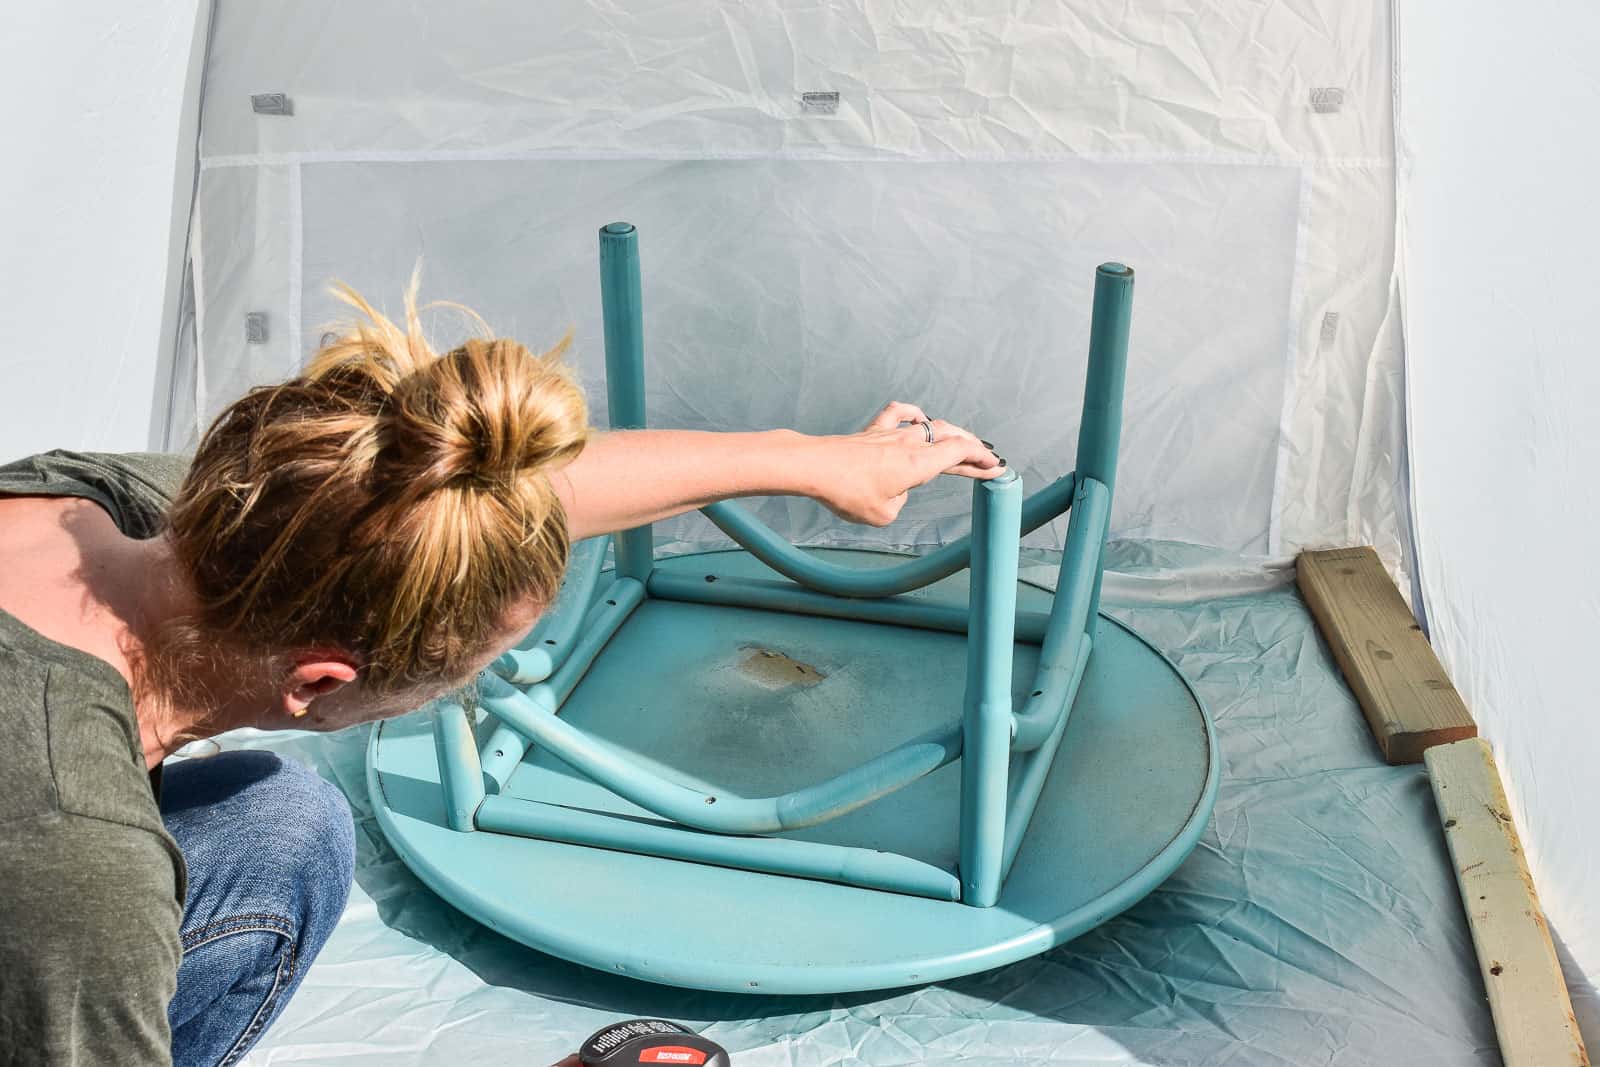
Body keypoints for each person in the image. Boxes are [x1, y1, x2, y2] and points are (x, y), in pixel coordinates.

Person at [0, 280, 1004, 1065]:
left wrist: (808, 458)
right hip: (53, 877)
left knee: (280, 822)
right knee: (278, 847)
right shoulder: (78, 859)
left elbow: (421, 496)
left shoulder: (115, 514)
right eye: (459, 675)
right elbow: (73, 886)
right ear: (318, 682)